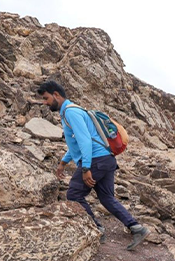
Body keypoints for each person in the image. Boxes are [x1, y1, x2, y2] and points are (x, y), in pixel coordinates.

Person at [37, 81, 150, 250]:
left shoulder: (70, 113)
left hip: (96, 160)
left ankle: (96, 229)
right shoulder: (73, 111)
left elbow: (85, 141)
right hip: (106, 159)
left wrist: (86, 168)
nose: (45, 103)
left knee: (74, 193)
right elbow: (76, 144)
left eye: (46, 98)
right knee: (106, 197)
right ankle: (136, 228)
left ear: (56, 95)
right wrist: (63, 163)